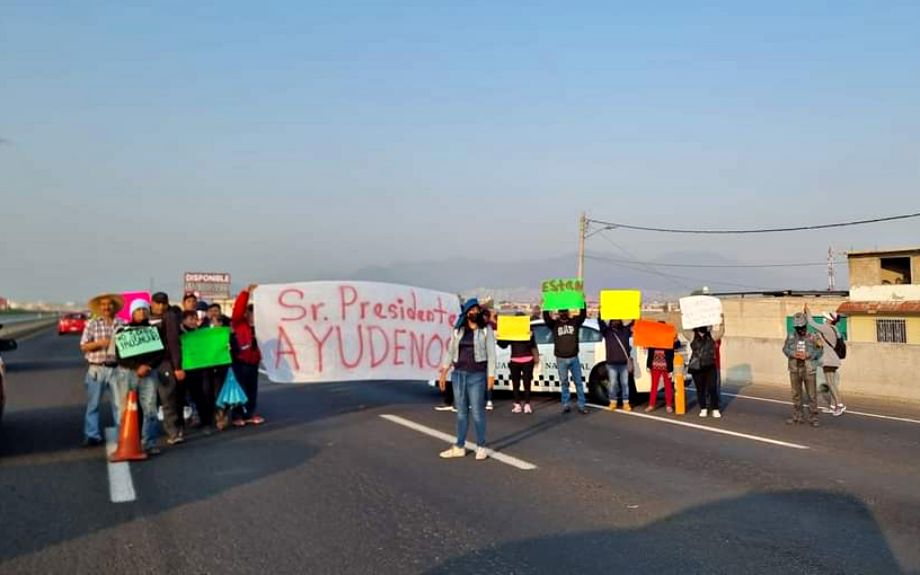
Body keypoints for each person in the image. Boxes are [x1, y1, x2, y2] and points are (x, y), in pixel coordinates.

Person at [439, 299, 496, 460]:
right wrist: (444, 371)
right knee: (461, 413)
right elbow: (451, 351)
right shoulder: (458, 330)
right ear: (466, 313)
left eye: (477, 310)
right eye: (472, 310)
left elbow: (491, 354)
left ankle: (481, 446)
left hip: (477, 375)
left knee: (478, 412)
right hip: (458, 375)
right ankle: (459, 446)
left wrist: (491, 375)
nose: (475, 313)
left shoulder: (486, 330)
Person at [113, 299, 163, 455]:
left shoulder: (155, 331)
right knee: (125, 409)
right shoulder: (123, 331)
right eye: (138, 310)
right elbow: (120, 356)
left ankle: (149, 442)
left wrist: (147, 366)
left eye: (144, 309)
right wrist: (137, 366)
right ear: (132, 313)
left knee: (150, 408)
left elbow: (160, 353)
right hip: (128, 373)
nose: (142, 312)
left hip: (149, 373)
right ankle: (127, 440)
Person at [79, 294, 126, 447]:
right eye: (103, 305)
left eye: (109, 304)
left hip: (118, 369)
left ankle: (123, 434)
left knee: (119, 405)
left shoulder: (122, 324)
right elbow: (84, 346)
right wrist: (101, 343)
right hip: (97, 368)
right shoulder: (92, 324)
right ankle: (92, 435)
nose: (106, 307)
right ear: (99, 307)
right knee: (93, 404)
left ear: (114, 307)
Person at [150, 292, 187, 445]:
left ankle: (174, 431)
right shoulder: (146, 316)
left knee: (169, 398)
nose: (160, 306)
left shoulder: (170, 316)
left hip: (165, 363)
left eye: (163, 303)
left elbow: (173, 342)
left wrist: (177, 366)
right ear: (151, 303)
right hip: (147, 363)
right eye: (157, 303)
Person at [543, 306, 588, 414]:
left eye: (565, 311)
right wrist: (546, 304)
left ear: (568, 312)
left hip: (574, 357)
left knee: (578, 382)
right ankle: (566, 404)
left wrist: (582, 302)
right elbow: (546, 317)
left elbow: (583, 315)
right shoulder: (554, 324)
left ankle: (581, 405)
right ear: (558, 313)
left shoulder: (575, 322)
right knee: (564, 382)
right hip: (561, 358)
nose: (563, 313)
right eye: (561, 311)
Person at [231, 284, 264, 426]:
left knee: (252, 389)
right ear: (247, 313)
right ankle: (237, 415)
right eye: (251, 313)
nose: (253, 316)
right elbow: (237, 310)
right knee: (240, 389)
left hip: (253, 362)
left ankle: (249, 413)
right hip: (240, 362)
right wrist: (245, 293)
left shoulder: (262, 328)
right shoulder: (239, 324)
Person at [805, 305, 846, 417]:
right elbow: (823, 342)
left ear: (830, 320)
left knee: (831, 384)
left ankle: (840, 405)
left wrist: (808, 312)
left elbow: (811, 322)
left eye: (826, 317)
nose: (824, 318)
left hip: (829, 359)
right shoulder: (834, 329)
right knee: (832, 383)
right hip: (833, 359)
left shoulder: (827, 328)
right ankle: (833, 406)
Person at [783, 313, 823, 427]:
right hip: (794, 368)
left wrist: (809, 354)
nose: (800, 330)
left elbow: (820, 350)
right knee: (796, 394)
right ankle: (797, 416)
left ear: (805, 325)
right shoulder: (791, 336)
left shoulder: (813, 336)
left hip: (809, 368)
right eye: (798, 328)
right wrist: (793, 354)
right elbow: (785, 349)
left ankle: (814, 417)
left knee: (811, 395)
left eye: (802, 327)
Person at [497, 324, 539, 414]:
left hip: (527, 359)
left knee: (526, 383)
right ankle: (517, 404)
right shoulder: (512, 331)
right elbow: (503, 344)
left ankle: (527, 404)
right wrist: (500, 336)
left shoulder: (528, 330)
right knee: (516, 383)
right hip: (515, 360)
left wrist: (530, 336)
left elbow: (532, 344)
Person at [598, 318, 633, 411]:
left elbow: (635, 324)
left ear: (620, 321)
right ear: (611, 322)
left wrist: (637, 311)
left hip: (624, 364)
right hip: (611, 363)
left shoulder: (626, 330)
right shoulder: (607, 332)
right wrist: (600, 311)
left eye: (617, 320)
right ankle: (613, 402)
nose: (615, 322)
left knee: (625, 384)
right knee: (613, 384)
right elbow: (600, 322)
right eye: (613, 320)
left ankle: (626, 403)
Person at [688, 326, 720, 418]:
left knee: (712, 388)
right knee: (700, 389)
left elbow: (721, 332)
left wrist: (721, 319)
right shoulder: (692, 335)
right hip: (697, 366)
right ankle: (703, 408)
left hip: (710, 365)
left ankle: (715, 408)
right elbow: (684, 329)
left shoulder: (712, 335)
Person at [645, 326, 678, 413]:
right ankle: (651, 405)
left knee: (668, 386)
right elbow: (650, 352)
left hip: (667, 367)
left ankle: (669, 405)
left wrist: (676, 338)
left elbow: (677, 345)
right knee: (654, 386)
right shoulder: (653, 338)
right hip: (655, 366)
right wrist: (648, 365)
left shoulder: (669, 337)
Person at [481, 307, 498, 411]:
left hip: (486, 358)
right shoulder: (475, 328)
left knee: (488, 379)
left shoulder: (488, 328)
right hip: (477, 359)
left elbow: (491, 349)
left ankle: (489, 399)